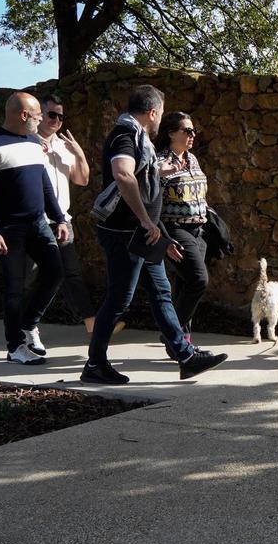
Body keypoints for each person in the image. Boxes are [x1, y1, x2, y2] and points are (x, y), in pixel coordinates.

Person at [81, 85, 227, 385]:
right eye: (160, 113)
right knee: (120, 299)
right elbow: (122, 174)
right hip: (125, 232)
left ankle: (185, 357)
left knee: (161, 292)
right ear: (152, 112)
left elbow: (137, 176)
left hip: (143, 232)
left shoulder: (138, 138)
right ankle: (95, 364)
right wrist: (147, 221)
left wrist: (157, 175)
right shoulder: (125, 136)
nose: (160, 119)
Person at [0, 92, 68, 364]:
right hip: (8, 228)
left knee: (56, 272)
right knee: (14, 288)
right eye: (38, 115)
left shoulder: (33, 143)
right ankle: (15, 347)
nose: (41, 120)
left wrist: (59, 218)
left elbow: (44, 185)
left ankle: (28, 324)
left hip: (37, 223)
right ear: (24, 115)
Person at [34, 94, 125, 338]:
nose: (56, 120)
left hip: (61, 221)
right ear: (39, 114)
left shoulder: (63, 146)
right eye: (51, 114)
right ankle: (23, 325)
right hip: (34, 221)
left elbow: (82, 179)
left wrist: (79, 153)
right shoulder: (26, 144)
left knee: (69, 272)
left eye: (61, 116)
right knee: (29, 277)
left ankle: (90, 322)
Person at [157, 111, 212, 343]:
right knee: (199, 280)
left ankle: (182, 342)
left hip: (198, 231)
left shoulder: (192, 159)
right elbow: (151, 202)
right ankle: (172, 333)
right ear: (171, 133)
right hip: (176, 229)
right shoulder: (161, 162)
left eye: (193, 131)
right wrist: (165, 238)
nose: (192, 135)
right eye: (186, 131)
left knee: (184, 285)